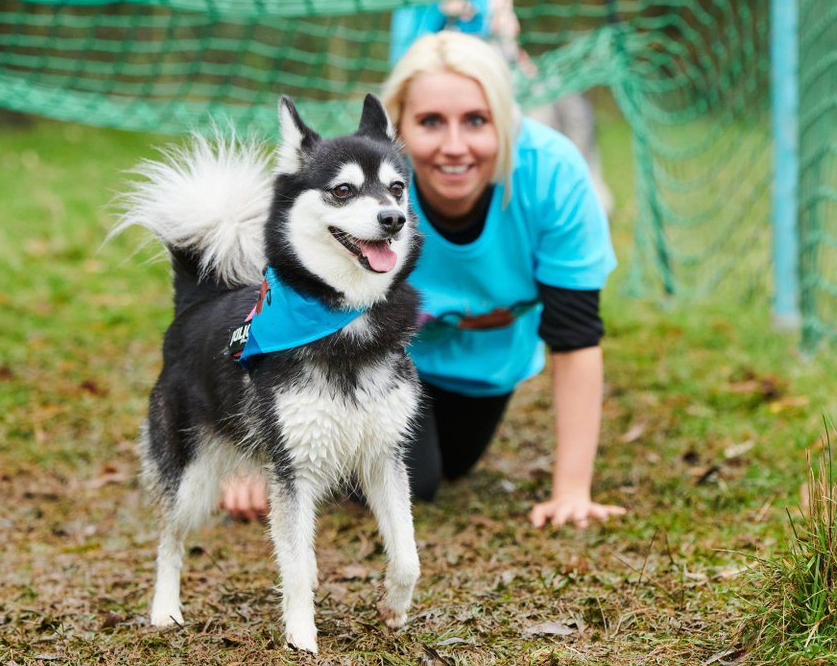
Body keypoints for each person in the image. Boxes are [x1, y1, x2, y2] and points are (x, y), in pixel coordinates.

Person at [221, 31, 625, 529]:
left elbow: (577, 337)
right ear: (398, 131)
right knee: (418, 481)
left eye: (476, 120)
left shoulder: (554, 177)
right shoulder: (364, 193)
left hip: (484, 365)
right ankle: (309, 451)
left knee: (448, 467)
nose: (454, 147)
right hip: (374, 351)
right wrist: (251, 448)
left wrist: (571, 493)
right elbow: (277, 299)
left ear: (506, 120)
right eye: (431, 122)